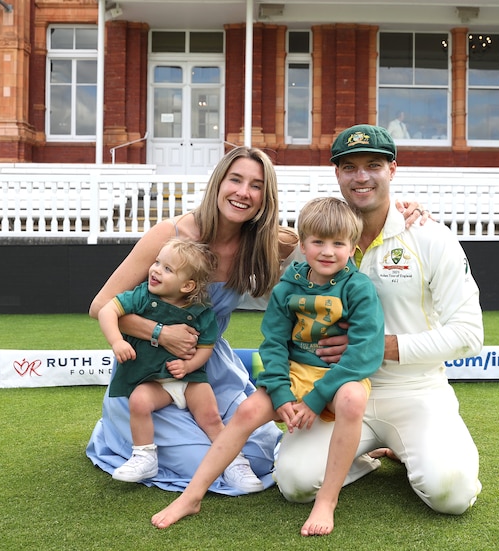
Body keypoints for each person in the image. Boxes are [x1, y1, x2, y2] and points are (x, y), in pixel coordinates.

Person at [273, 124, 485, 516]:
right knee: (295, 484)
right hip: (334, 389)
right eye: (349, 167)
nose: (362, 176)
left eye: (373, 165)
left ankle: (411, 451)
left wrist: (376, 347)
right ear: (337, 174)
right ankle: (365, 458)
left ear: (393, 170)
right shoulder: (318, 241)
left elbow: (469, 334)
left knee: (451, 495)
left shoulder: (429, 236)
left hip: (414, 389)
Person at [151, 195, 385, 536]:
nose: (327, 251)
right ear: (303, 245)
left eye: (338, 243)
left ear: (352, 249)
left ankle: (326, 501)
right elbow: (274, 343)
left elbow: (364, 354)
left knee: (352, 399)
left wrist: (316, 399)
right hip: (294, 371)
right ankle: (192, 495)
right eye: (318, 241)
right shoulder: (287, 287)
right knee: (247, 412)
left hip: (338, 378)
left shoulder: (359, 289)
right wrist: (280, 393)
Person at [86, 146, 289, 494]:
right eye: (235, 179)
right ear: (218, 182)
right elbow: (100, 305)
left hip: (210, 369)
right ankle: (118, 430)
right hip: (149, 371)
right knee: (202, 461)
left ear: (264, 198)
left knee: (257, 454)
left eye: (255, 186)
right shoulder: (169, 235)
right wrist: (162, 334)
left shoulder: (261, 244)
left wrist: (399, 214)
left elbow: (329, 239)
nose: (243, 192)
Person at [97, 238, 262, 491]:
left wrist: (189, 367)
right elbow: (107, 310)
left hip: (190, 379)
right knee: (139, 401)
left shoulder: (202, 311)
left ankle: (234, 463)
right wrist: (117, 341)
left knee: (211, 418)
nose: (155, 270)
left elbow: (206, 347)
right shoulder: (141, 296)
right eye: (157, 263)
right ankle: (144, 455)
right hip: (154, 380)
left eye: (167, 269)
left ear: (187, 285)